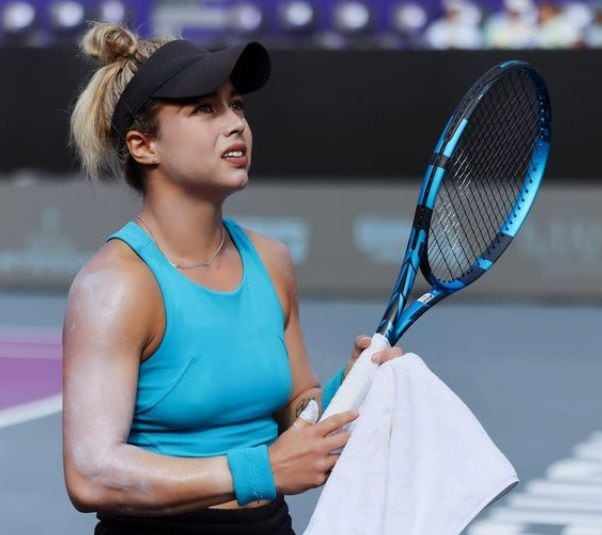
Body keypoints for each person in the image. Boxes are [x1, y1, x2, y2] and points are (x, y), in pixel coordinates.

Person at [62, 22, 404, 534]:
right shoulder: (116, 286)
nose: (235, 124)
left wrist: (352, 383)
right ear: (143, 146)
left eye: (236, 105)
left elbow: (297, 410)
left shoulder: (272, 260)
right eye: (204, 109)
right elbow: (91, 476)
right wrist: (260, 470)